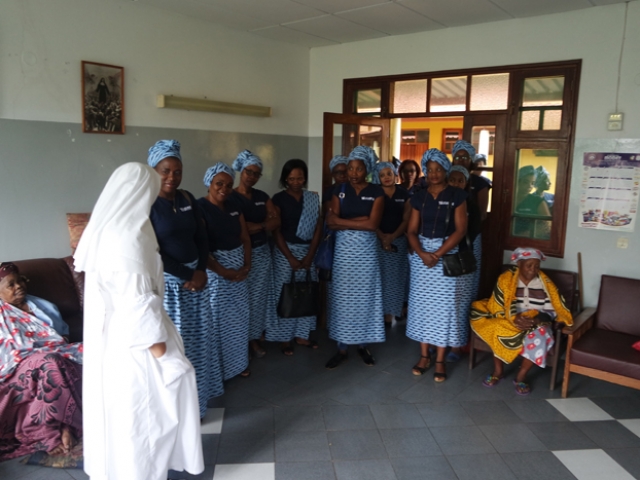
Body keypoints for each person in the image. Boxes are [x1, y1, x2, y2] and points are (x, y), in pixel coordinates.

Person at [74, 162, 203, 480]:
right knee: (149, 419)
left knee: (129, 418)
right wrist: (168, 359)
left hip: (118, 342)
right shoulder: (127, 240)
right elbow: (137, 307)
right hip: (141, 347)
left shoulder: (111, 230)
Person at [147, 140, 223, 419]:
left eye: (177, 171)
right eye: (166, 171)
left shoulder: (188, 198)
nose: (172, 177)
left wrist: (201, 271)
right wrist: (189, 274)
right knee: (176, 349)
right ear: (154, 170)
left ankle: (197, 405)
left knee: (200, 344)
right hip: (171, 286)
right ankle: (176, 411)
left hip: (198, 283)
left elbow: (201, 238)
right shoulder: (148, 205)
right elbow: (153, 252)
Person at [0, 263, 82, 461]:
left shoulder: (42, 305)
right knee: (50, 364)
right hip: (16, 365)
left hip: (54, 353)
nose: (19, 286)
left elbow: (62, 336)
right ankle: (54, 431)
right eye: (11, 284)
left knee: (95, 351)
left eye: (21, 281)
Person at [470, 247, 573, 395]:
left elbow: (551, 311)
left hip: (536, 319)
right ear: (519, 264)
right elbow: (498, 305)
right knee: (494, 327)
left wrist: (536, 320)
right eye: (529, 265)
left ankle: (521, 377)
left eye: (537, 266)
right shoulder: (506, 279)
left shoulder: (544, 284)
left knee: (541, 336)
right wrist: (513, 318)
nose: (533, 269)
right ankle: (498, 371)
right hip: (509, 318)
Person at [406, 149, 468, 381]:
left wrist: (437, 254)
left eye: (438, 169)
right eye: (429, 170)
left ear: (445, 170)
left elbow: (461, 230)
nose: (433, 174)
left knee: (444, 309)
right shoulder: (418, 197)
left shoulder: (457, 196)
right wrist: (423, 254)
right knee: (422, 307)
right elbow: (411, 230)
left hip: (447, 256)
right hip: (422, 259)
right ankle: (424, 356)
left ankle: (440, 359)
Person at [325, 146, 385, 369]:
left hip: (366, 255)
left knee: (365, 298)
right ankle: (341, 348)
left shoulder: (376, 192)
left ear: (367, 169)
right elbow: (331, 222)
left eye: (358, 169)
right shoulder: (339, 190)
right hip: (344, 255)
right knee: (342, 300)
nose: (352, 173)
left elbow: (373, 224)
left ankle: (362, 345)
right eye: (350, 168)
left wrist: (346, 223)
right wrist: (360, 220)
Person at [198, 163, 252, 379]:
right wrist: (222, 271)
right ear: (209, 183)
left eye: (229, 185)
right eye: (219, 183)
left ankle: (238, 364)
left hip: (239, 271)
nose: (224, 188)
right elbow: (202, 247)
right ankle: (218, 370)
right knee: (218, 320)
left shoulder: (233, 206)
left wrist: (247, 265)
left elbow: (245, 237)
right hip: (216, 273)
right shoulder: (199, 208)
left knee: (239, 318)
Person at [266, 159, 322, 355]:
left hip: (308, 251)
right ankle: (283, 338)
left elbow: (317, 228)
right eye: (291, 179)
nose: (296, 182)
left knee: (306, 292)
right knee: (286, 294)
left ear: (305, 178)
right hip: (285, 252)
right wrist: (290, 257)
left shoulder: (313, 198)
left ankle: (302, 334)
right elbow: (276, 231)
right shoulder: (278, 199)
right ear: (285, 179)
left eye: (300, 178)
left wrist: (310, 256)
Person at [232, 150, 279, 358]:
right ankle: (237, 342)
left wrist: (259, 226)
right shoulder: (230, 196)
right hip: (238, 256)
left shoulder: (262, 197)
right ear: (241, 171)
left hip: (261, 254)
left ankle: (254, 339)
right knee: (240, 301)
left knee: (258, 300)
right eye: (248, 172)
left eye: (256, 174)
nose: (251, 176)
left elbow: (275, 221)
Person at [446, 165, 483, 362]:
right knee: (443, 304)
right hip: (442, 257)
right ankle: (440, 341)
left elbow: (471, 232)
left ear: (466, 183)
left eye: (460, 180)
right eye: (453, 180)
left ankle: (456, 345)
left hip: (461, 258)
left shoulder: (472, 206)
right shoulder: (441, 201)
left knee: (459, 304)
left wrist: (453, 242)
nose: (456, 184)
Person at [372, 161, 411, 327]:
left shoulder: (404, 194)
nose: (386, 177)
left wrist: (393, 237)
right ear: (377, 177)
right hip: (377, 242)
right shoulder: (373, 193)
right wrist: (382, 237)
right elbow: (371, 219)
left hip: (398, 243)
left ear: (395, 174)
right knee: (378, 280)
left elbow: (406, 219)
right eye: (382, 175)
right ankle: (378, 316)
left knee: (395, 281)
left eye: (389, 173)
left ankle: (390, 315)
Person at [514, 165, 552, 239]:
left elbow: (547, 226)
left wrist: (525, 235)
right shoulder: (509, 198)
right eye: (525, 182)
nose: (529, 186)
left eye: (532, 183)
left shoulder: (537, 201)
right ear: (517, 181)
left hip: (531, 242)